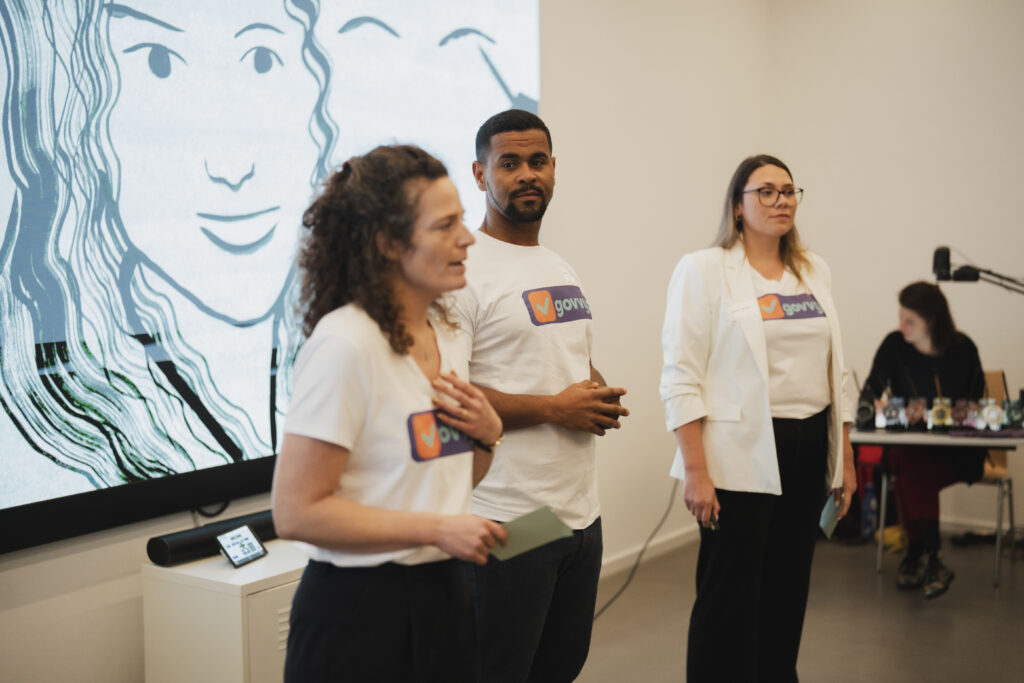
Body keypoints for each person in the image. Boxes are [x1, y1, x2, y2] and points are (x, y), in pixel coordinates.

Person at [0, 0, 336, 499]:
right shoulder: (60, 413)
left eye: (263, 59)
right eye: (157, 62)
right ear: (80, 114)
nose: (231, 167)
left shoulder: (335, 343)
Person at [271, 145, 507, 682]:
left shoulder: (446, 334)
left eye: (462, 220)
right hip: (360, 612)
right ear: (387, 243)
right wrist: (436, 529)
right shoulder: (346, 345)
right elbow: (296, 513)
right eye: (445, 226)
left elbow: (443, 481)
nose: (468, 238)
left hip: (443, 596)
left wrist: (488, 436)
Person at [660, 154, 856, 682]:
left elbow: (836, 370)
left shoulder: (813, 270)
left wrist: (845, 457)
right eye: (766, 191)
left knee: (788, 588)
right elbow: (680, 377)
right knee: (729, 596)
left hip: (808, 445)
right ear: (737, 206)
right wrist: (696, 471)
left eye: (788, 191)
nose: (780, 201)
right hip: (737, 456)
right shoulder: (704, 270)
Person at [450, 109, 629, 682]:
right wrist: (556, 409)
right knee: (500, 670)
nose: (527, 174)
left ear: (554, 168)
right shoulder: (462, 272)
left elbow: (567, 357)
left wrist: (595, 391)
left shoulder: (558, 266)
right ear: (480, 174)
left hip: (578, 516)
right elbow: (449, 396)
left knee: (560, 667)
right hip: (510, 517)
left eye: (537, 161)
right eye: (509, 163)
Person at [863, 281, 985, 598]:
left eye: (910, 321)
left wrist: (943, 415)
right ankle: (931, 558)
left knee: (908, 467)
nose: (902, 327)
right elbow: (869, 393)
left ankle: (918, 554)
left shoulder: (964, 350)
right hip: (908, 449)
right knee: (908, 460)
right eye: (901, 318)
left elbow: (975, 409)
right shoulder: (894, 345)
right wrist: (876, 405)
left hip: (956, 454)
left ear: (931, 321)